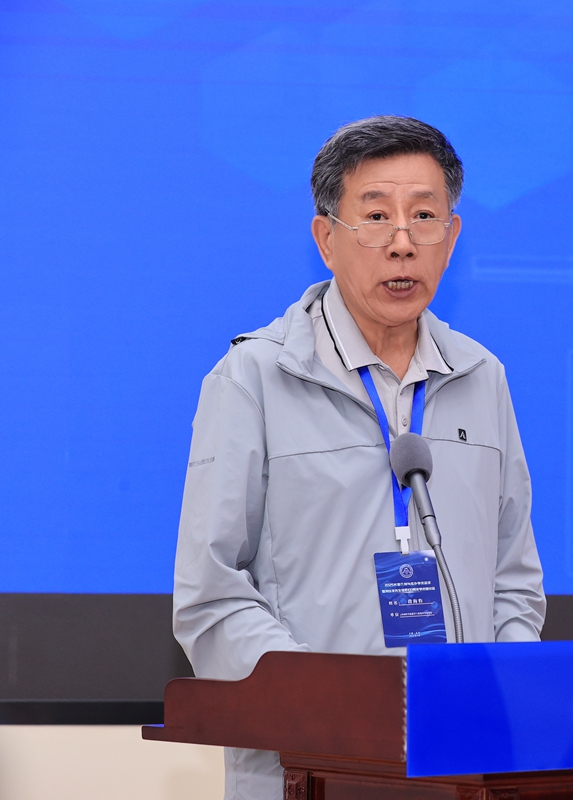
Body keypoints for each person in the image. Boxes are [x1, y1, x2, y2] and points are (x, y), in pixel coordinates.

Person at [172, 116, 546, 800]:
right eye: (376, 217)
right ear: (326, 239)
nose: (403, 243)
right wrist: (330, 706)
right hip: (309, 766)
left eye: (424, 217)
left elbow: (513, 580)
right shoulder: (254, 379)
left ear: (451, 237)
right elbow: (212, 594)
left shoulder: (482, 377)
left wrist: (506, 694)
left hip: (460, 768)